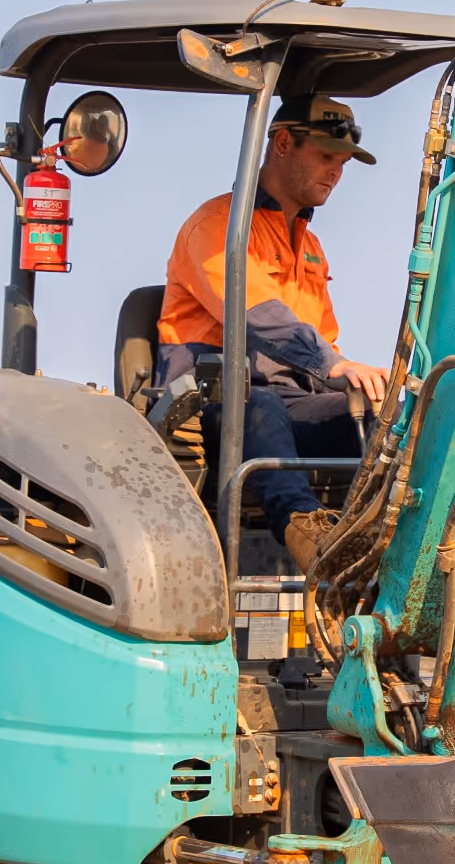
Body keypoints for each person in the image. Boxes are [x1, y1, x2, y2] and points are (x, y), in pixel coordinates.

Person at [159, 95, 392, 574]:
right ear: (283, 143)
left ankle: (380, 536)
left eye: (343, 163)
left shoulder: (311, 247)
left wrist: (360, 385)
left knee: (377, 414)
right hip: (206, 402)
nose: (336, 172)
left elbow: (325, 343)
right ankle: (307, 532)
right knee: (255, 401)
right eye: (326, 156)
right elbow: (255, 315)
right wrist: (332, 365)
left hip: (289, 403)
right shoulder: (217, 227)